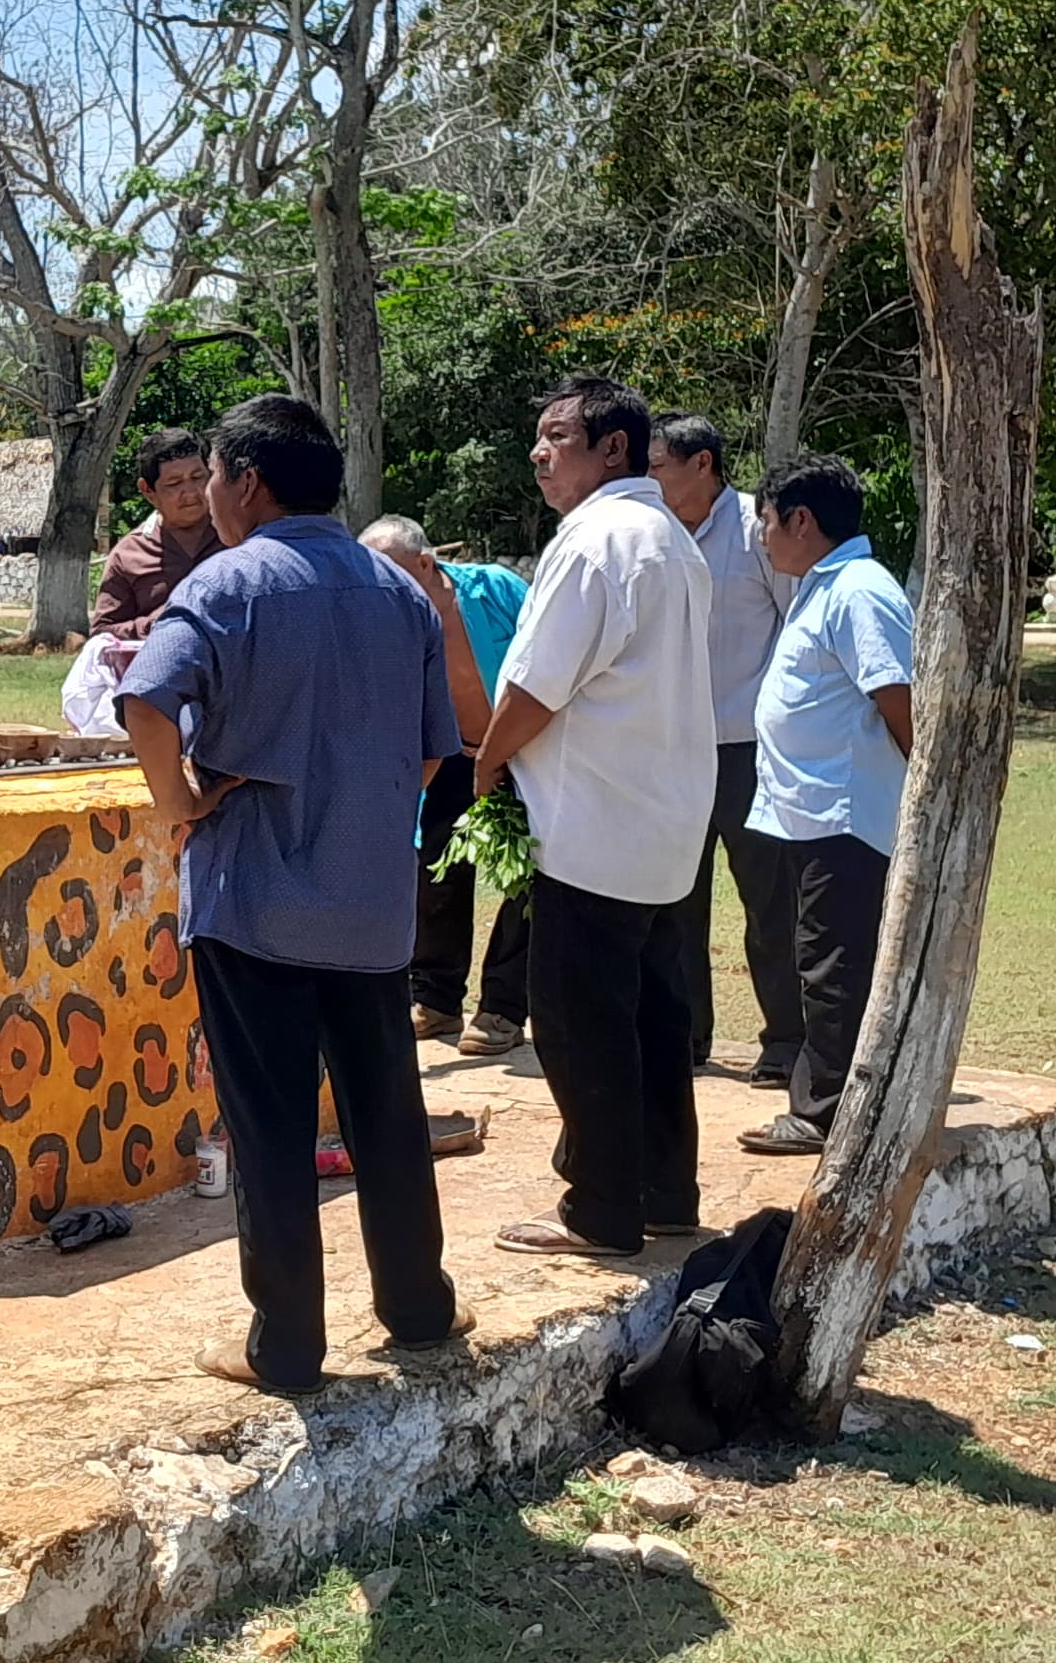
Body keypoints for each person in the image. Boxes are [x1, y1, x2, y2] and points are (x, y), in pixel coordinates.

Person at [119, 395, 464, 1394]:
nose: (209, 494)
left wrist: (179, 799)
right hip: (368, 905)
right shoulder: (399, 591)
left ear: (247, 483)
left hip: (255, 898)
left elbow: (146, 697)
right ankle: (418, 1306)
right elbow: (440, 750)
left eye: (214, 476)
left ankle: (288, 1346)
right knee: (385, 1112)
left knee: (269, 1122)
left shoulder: (231, 583)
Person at [474, 378, 715, 1258]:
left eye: (557, 438)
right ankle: (663, 1191)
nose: (540, 454)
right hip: (659, 822)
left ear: (612, 449)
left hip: (590, 823)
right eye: (537, 439)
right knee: (651, 1018)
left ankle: (602, 1208)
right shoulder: (671, 539)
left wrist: (489, 758)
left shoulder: (598, 539)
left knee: (581, 1025)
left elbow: (539, 683)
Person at [737, 456, 915, 1159]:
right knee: (817, 955)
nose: (762, 539)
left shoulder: (860, 591)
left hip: (844, 814)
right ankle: (828, 1095)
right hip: (805, 813)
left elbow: (896, 695)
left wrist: (917, 799)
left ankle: (826, 1109)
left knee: (833, 962)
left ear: (801, 521)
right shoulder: (823, 586)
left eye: (767, 522)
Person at [652, 416, 805, 1083]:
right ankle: (683, 1039)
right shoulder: (651, 535)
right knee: (673, 902)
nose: (648, 478)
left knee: (771, 903)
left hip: (748, 750)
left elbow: (797, 627)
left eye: (659, 465)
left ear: (703, 465)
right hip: (670, 749)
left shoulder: (755, 531)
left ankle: (785, 1044)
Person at [362, 515, 531, 1048]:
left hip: (527, 754)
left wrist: (506, 747)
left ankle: (503, 1009)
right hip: (449, 758)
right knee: (437, 872)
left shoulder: (497, 590)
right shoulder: (382, 620)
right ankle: (435, 1000)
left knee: (529, 880)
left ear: (427, 566)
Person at [91, 428, 221, 641]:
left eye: (198, 477)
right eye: (174, 483)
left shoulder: (238, 536)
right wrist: (156, 624)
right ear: (147, 491)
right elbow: (101, 634)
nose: (191, 493)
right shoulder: (128, 556)